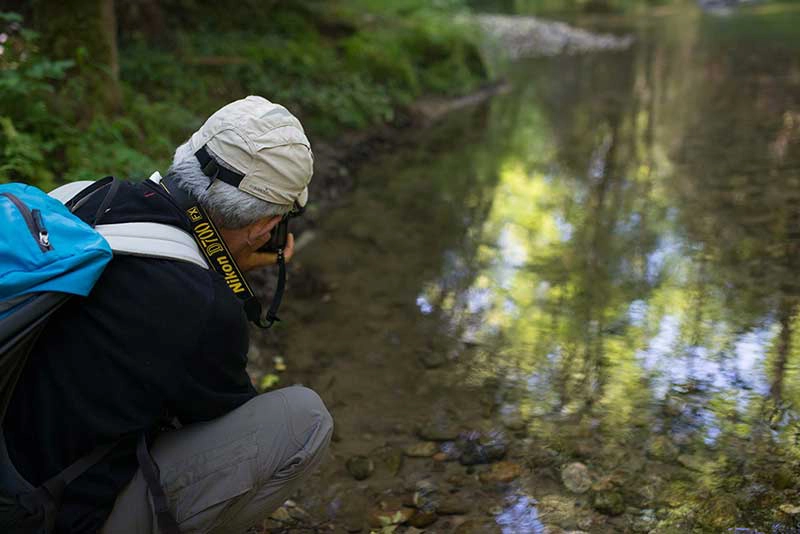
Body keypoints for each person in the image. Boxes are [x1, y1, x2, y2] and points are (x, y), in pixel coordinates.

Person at [0, 96, 333, 533]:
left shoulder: (85, 196)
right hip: (45, 512)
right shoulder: (203, 304)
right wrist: (229, 281)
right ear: (264, 228)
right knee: (304, 422)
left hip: (10, 457)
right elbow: (222, 422)